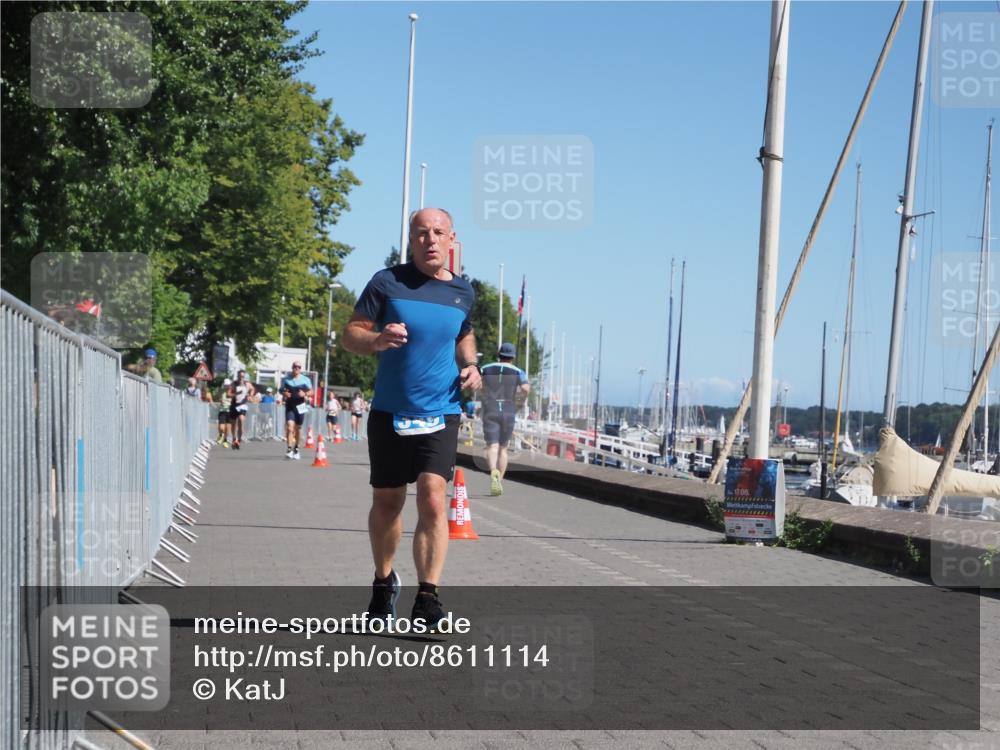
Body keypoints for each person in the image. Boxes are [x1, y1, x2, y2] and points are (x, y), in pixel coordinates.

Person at [342, 207, 481, 629]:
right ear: (411, 239)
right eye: (422, 233)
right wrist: (377, 339)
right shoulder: (387, 283)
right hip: (389, 411)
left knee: (434, 499)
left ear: (451, 239)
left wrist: (472, 365)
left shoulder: (462, 291)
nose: (430, 240)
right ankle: (383, 587)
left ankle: (428, 600)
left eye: (438, 232)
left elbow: (464, 332)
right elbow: (351, 334)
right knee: (387, 502)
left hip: (441, 411)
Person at [480, 342, 530, 496]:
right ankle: (499, 480)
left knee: (492, 447)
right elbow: (525, 388)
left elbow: (478, 384)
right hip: (508, 410)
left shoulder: (485, 368)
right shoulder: (518, 371)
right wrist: (520, 402)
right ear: (513, 357)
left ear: (498, 354)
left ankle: (493, 471)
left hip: (491, 409)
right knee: (503, 449)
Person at [280, 362, 312, 460]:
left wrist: (305, 394)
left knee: (298, 428)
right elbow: (281, 390)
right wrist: (285, 393)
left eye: (299, 367)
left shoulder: (305, 379)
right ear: (292, 368)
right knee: (290, 427)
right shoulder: (286, 379)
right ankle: (289, 449)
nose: (297, 368)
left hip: (301, 406)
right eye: (295, 367)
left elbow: (312, 392)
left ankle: (296, 449)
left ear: (300, 369)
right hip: (290, 405)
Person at [229, 370, 254, 449]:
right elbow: (228, 394)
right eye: (240, 376)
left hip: (242, 405)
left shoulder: (247, 384)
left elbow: (252, 389)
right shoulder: (233, 384)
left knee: (241, 419)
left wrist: (250, 395)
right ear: (238, 376)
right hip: (234, 405)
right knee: (233, 424)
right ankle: (234, 438)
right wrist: (236, 394)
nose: (241, 378)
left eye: (242, 376)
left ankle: (238, 440)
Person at [216, 378, 233, 448]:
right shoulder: (221, 391)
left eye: (228, 385)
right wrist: (220, 400)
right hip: (222, 410)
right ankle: (220, 435)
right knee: (222, 427)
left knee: (227, 428)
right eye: (226, 385)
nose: (227, 386)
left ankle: (225, 440)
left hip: (230, 411)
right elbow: (217, 397)